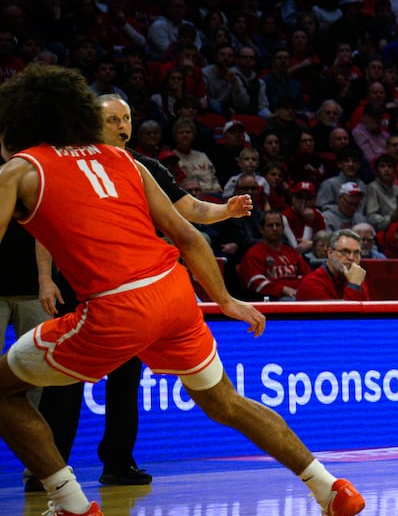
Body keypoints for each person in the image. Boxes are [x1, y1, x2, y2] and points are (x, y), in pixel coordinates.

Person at [0, 65, 363, 516]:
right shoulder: (124, 161)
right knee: (226, 402)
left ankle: (70, 507)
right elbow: (188, 234)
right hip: (174, 294)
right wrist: (226, 299)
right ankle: (330, 489)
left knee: (2, 390)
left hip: (114, 307)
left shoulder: (20, 169)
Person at [32, 94, 256, 491]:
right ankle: (50, 469)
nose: (122, 126)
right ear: (91, 124)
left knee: (125, 383)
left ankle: (118, 463)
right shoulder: (64, 167)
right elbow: (46, 229)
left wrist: (226, 210)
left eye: (126, 118)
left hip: (133, 292)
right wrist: (46, 278)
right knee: (62, 384)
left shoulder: (143, 167)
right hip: (80, 287)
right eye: (112, 120)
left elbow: (189, 211)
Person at [237, 211, 310, 301]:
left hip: (298, 294)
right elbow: (255, 283)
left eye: (278, 225)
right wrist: (283, 289)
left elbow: (308, 276)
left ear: (283, 229)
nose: (275, 229)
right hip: (273, 300)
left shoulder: (291, 252)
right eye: (270, 225)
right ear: (261, 229)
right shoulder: (254, 254)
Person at [296, 229, 370, 302]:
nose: (351, 258)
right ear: (330, 253)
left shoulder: (356, 278)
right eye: (344, 251)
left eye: (356, 253)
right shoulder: (312, 284)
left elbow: (368, 312)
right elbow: (345, 313)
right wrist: (353, 285)